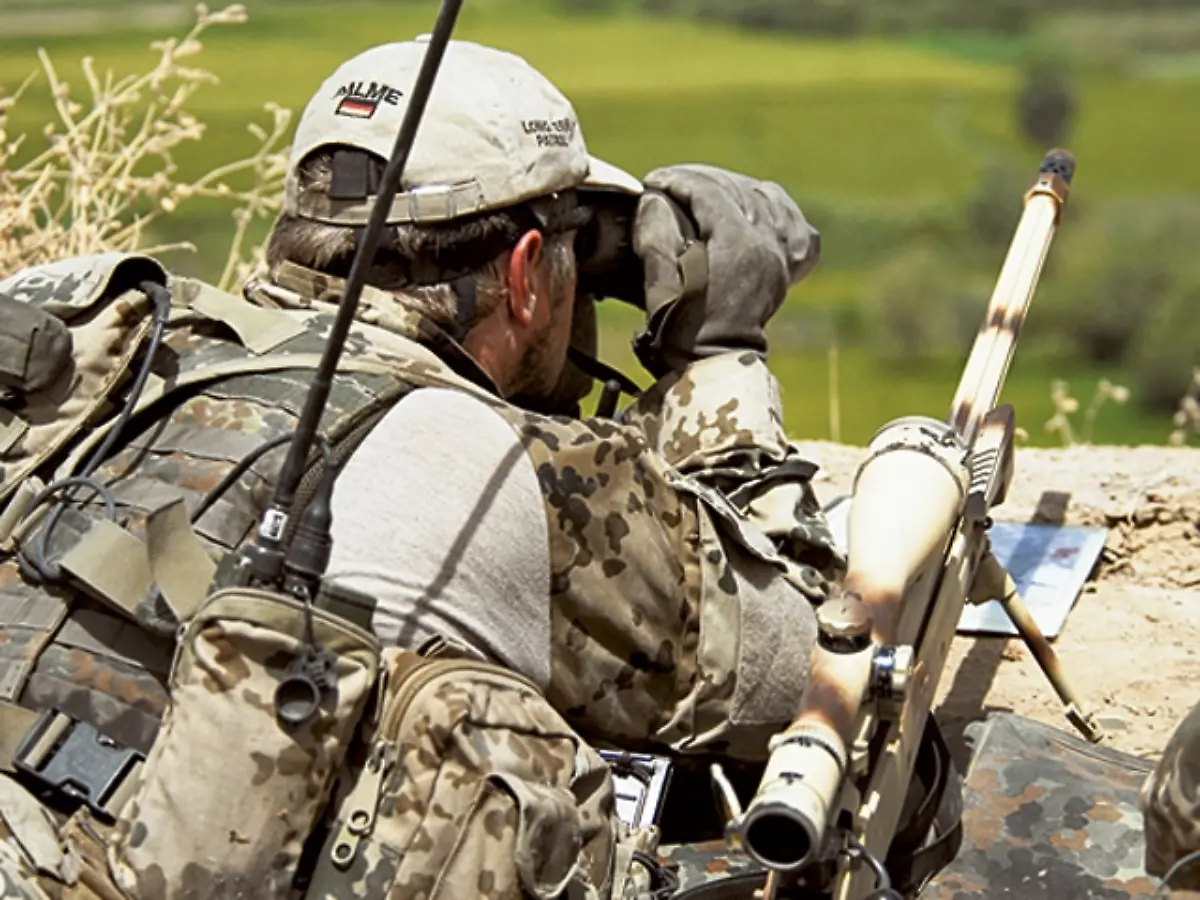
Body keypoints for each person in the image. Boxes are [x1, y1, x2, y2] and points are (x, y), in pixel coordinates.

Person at [0, 36, 840, 900]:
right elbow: (816, 660)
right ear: (523, 275)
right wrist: (717, 355)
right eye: (571, 254)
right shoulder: (517, 467)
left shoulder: (118, 348)